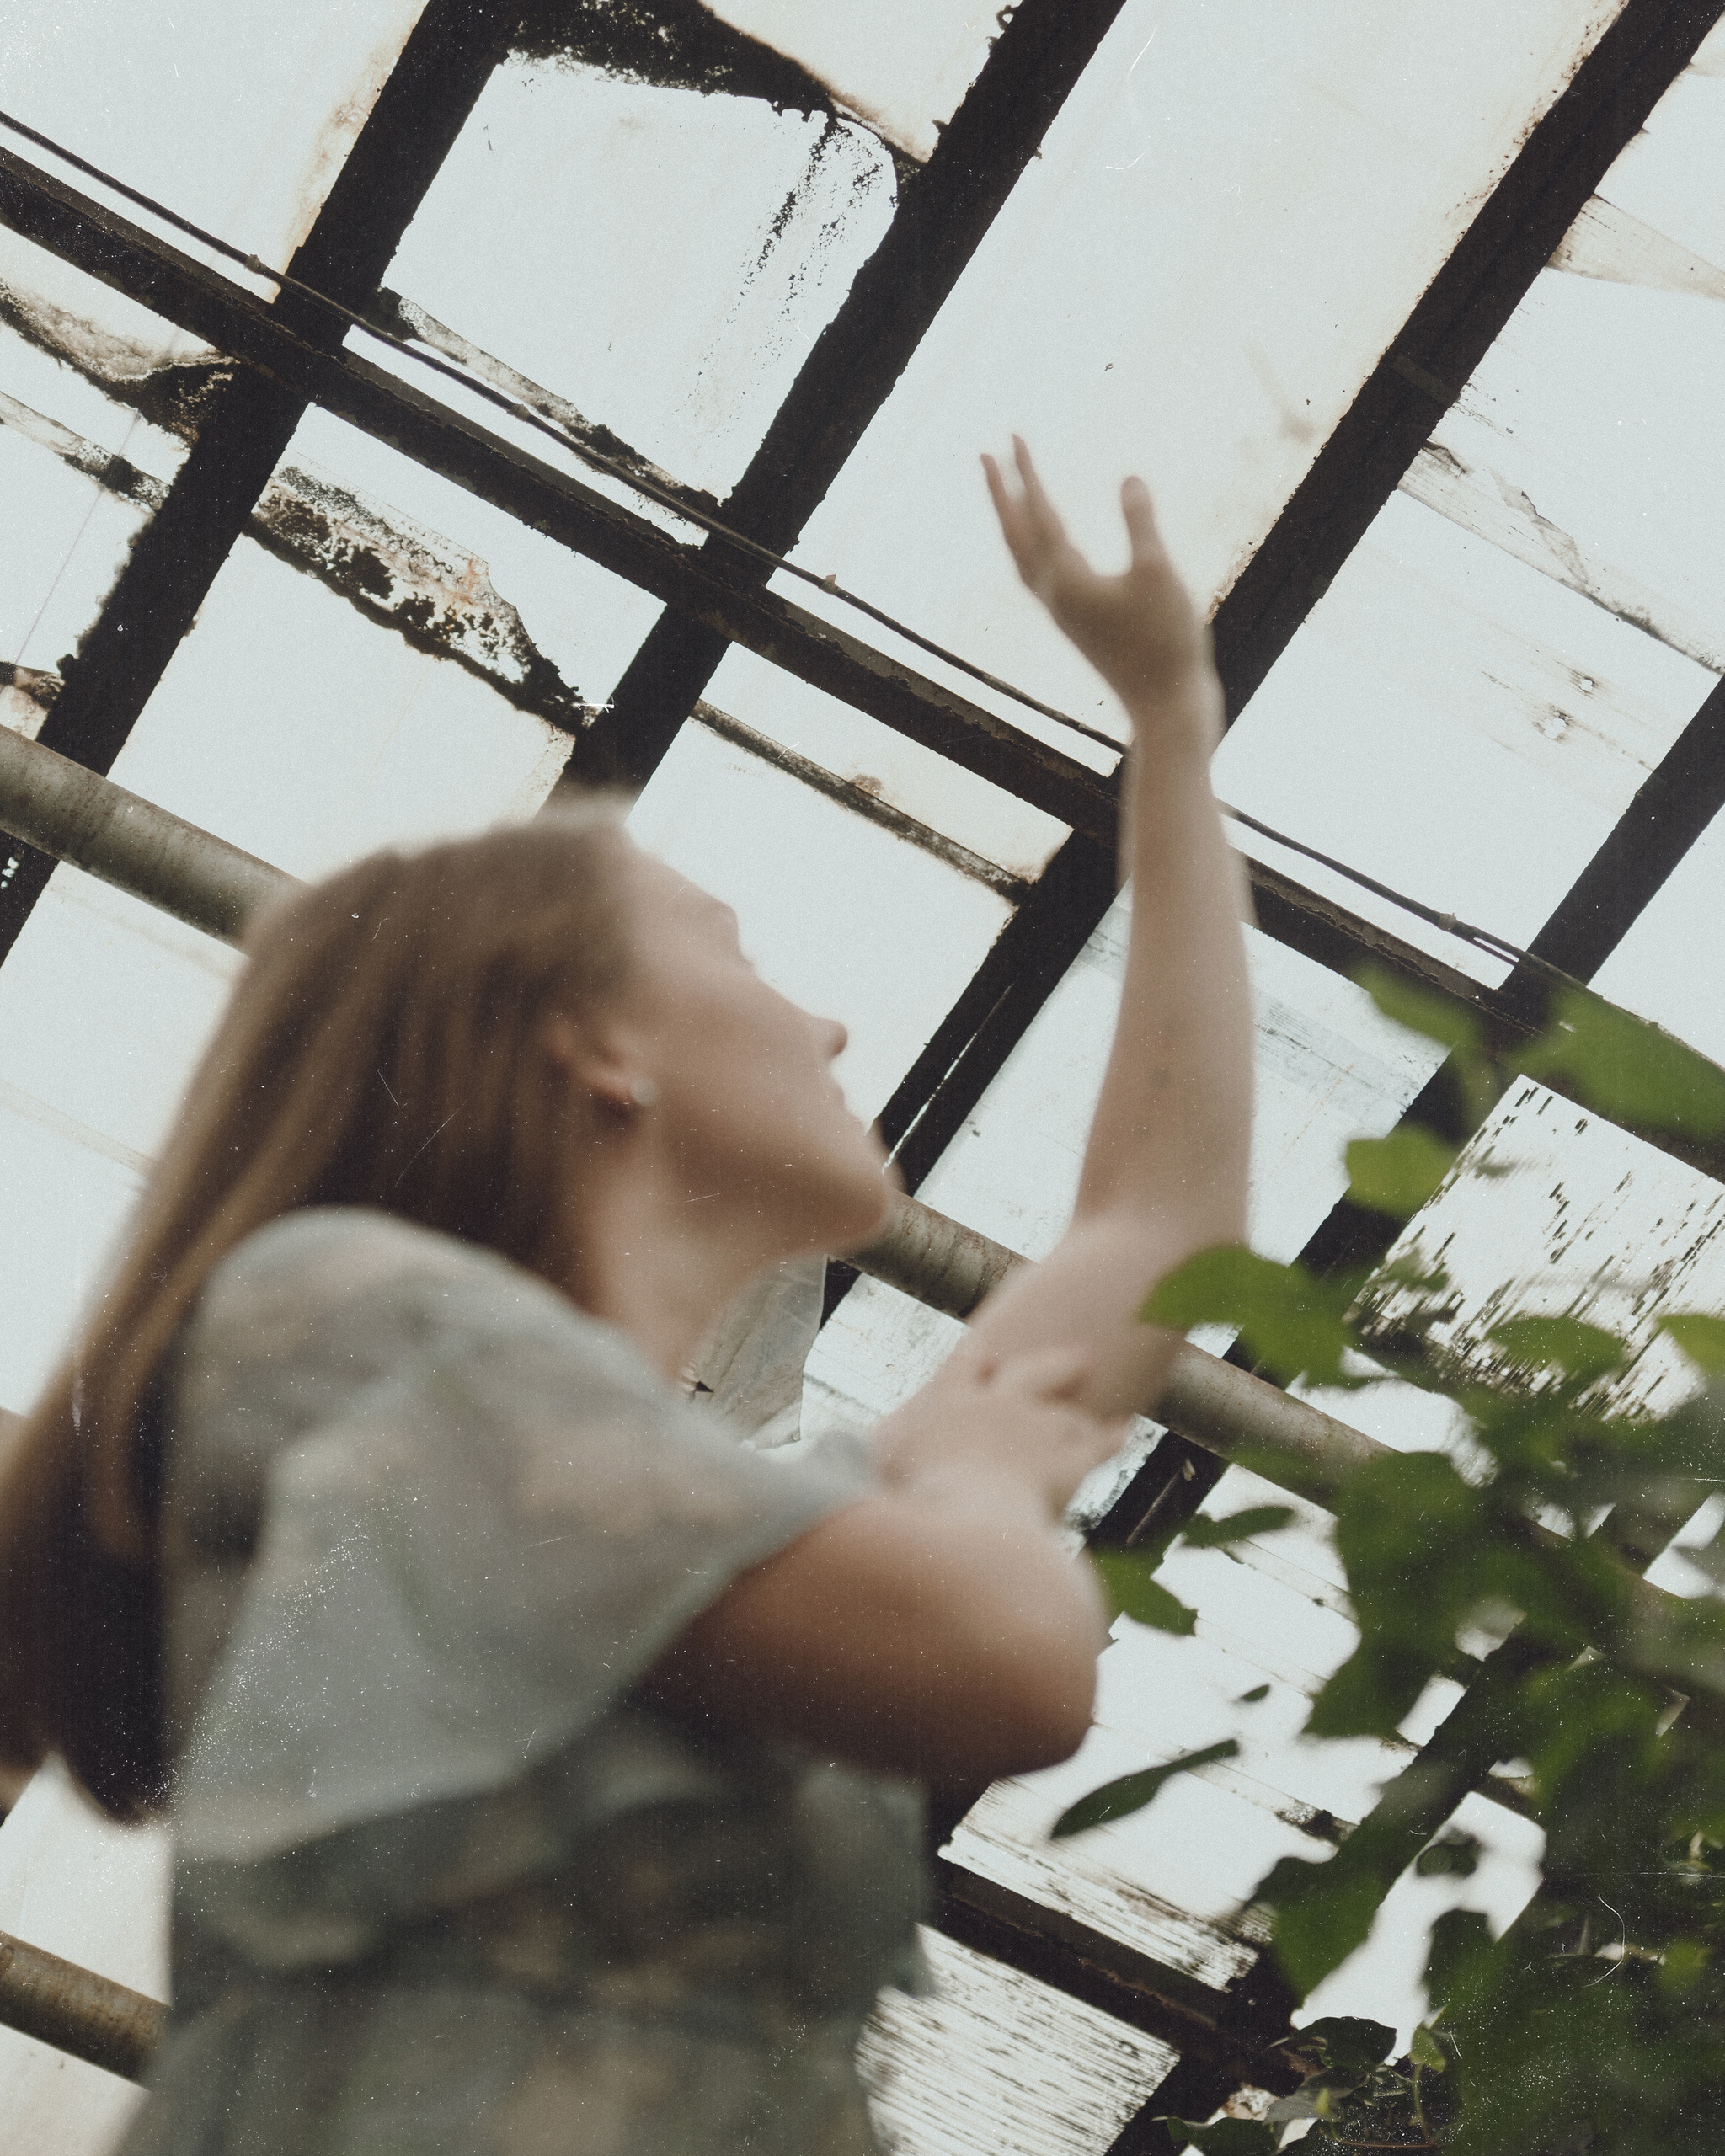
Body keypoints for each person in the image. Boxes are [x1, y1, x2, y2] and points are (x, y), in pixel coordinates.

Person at [0, 444, 1252, 2155]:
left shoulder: (776, 1534)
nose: (824, 1030)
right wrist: (970, 1492)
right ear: (587, 1040)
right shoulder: (348, 1324)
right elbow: (1011, 1659)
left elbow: (1152, 1229)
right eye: (735, 954)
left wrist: (1174, 735)